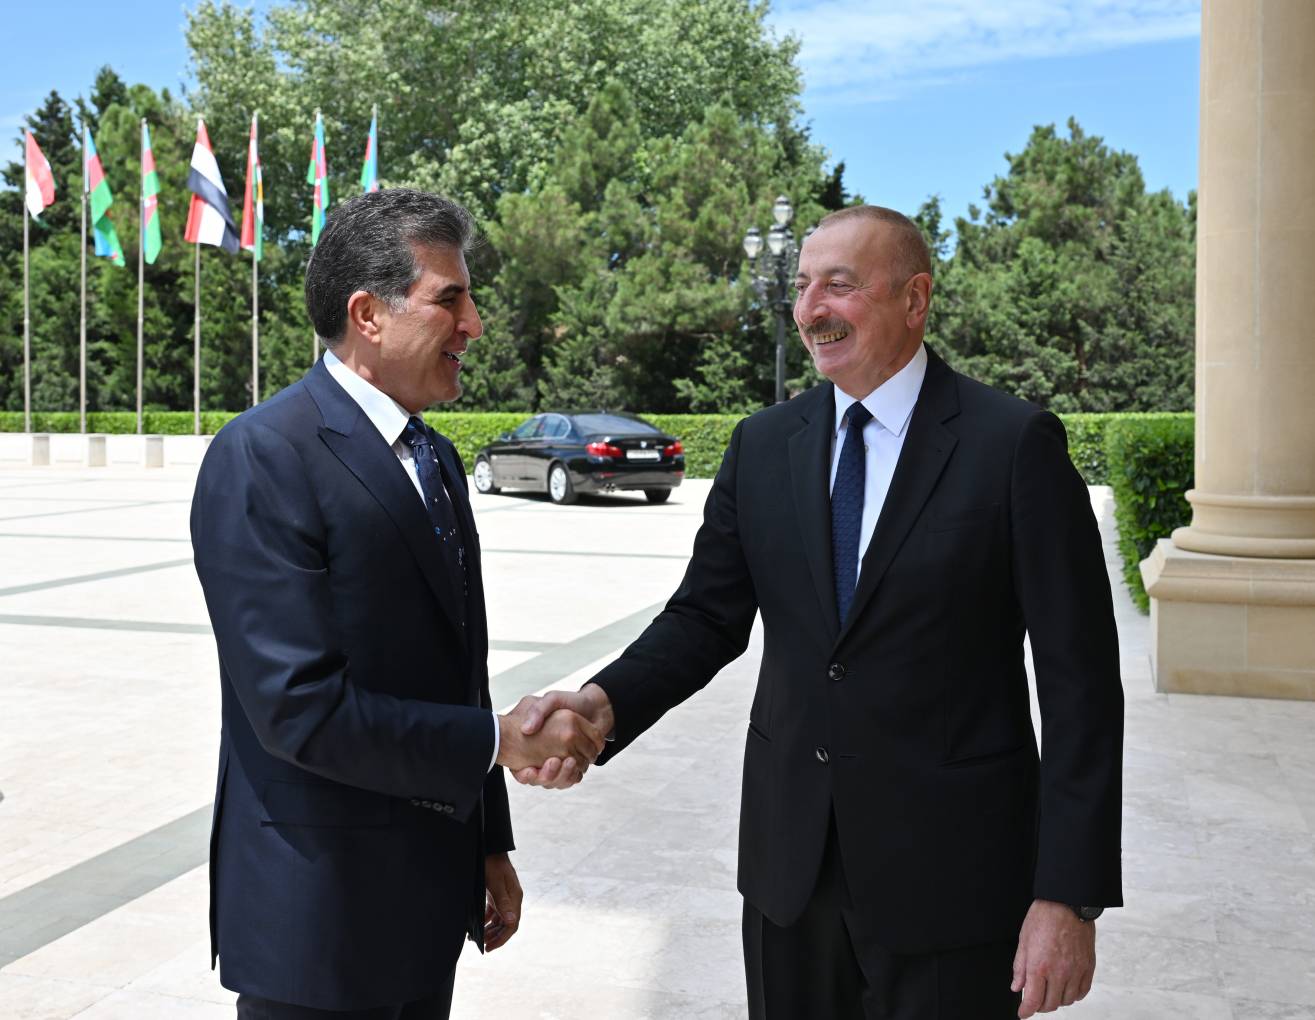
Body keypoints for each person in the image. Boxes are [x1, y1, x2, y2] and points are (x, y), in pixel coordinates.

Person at [516, 206, 1124, 1018]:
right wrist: (600, 705)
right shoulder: (762, 444)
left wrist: (1068, 894)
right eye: (801, 286)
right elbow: (703, 619)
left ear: (914, 299)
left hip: (954, 880)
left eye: (838, 285)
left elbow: (1082, 687)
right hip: (789, 873)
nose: (809, 310)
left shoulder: (1013, 446)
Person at [190, 188, 604, 1020]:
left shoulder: (435, 457)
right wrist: (502, 742)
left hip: (427, 898)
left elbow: (458, 671)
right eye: (450, 299)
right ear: (367, 315)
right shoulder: (264, 454)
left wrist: (486, 843)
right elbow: (298, 709)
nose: (473, 324)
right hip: (319, 921)